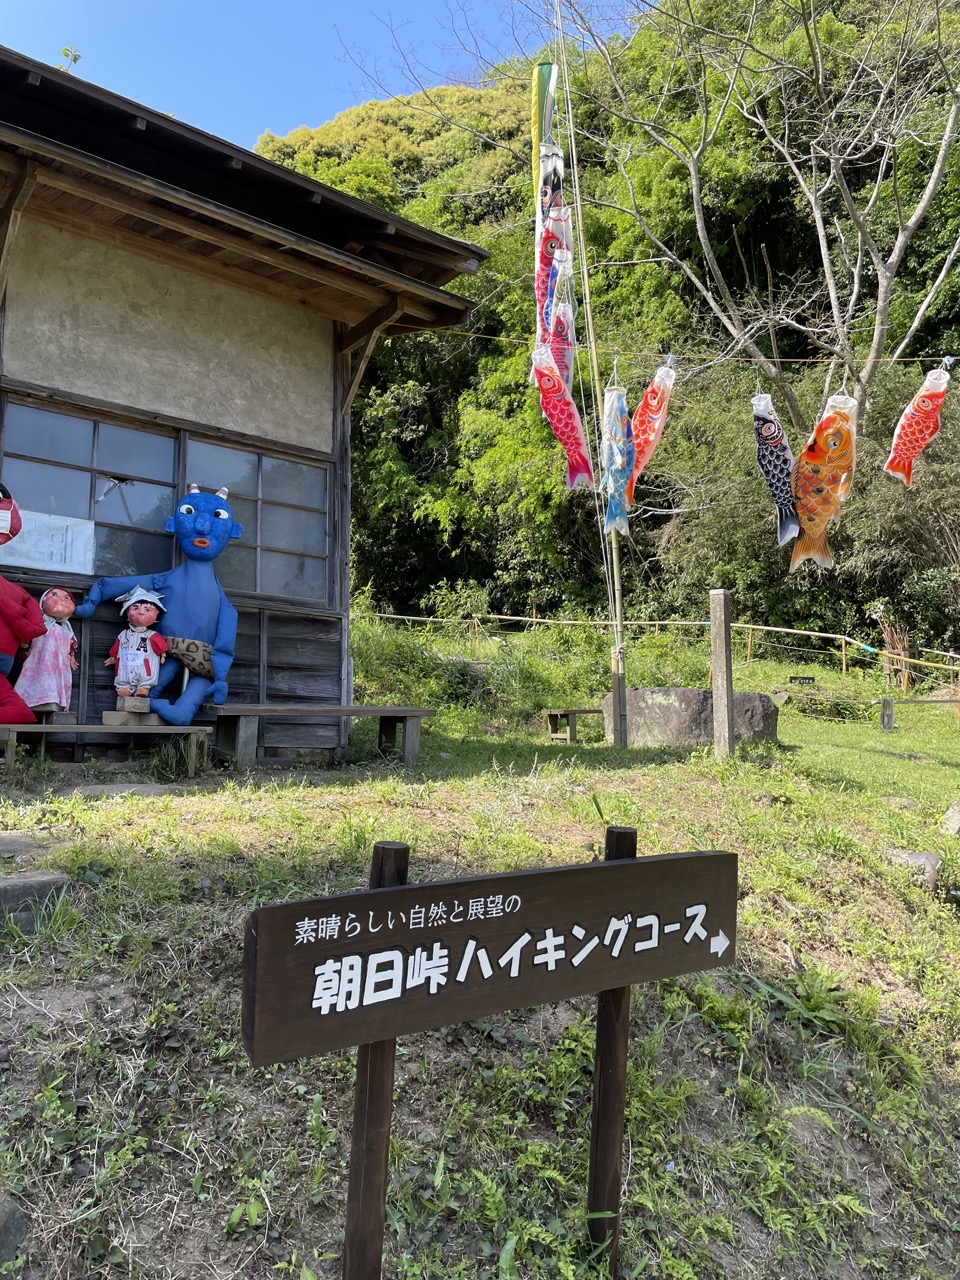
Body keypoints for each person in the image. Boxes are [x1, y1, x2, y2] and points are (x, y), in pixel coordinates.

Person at [14, 587, 78, 712]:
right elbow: (28, 637)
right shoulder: (38, 623)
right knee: (36, 679)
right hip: (38, 661)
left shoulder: (66, 629)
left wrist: (72, 657)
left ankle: (54, 700)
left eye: (66, 598)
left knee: (56, 682)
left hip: (59, 664)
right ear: (43, 601)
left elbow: (70, 646)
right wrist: (25, 644)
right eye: (54, 595)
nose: (61, 599)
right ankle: (29, 701)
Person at [105, 587, 168, 697]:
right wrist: (113, 656)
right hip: (125, 665)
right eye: (135, 608)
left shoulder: (151, 635)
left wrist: (163, 654)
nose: (141, 613)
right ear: (128, 612)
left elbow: (160, 644)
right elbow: (117, 645)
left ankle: (143, 689)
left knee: (144, 675)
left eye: (147, 610)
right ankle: (124, 688)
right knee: (123, 676)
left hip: (144, 666)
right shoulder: (123, 634)